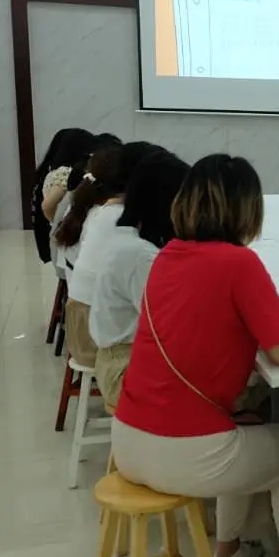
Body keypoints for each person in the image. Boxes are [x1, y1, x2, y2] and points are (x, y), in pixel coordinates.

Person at [112, 155, 279, 557]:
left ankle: (228, 554)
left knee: (244, 426)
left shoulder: (165, 255)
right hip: (187, 451)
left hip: (128, 440)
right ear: (248, 209)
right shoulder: (239, 263)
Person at [89, 149, 190, 408]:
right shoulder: (139, 255)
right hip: (126, 369)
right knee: (237, 382)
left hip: (119, 360)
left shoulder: (126, 236)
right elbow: (167, 328)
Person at [55, 142, 158, 368]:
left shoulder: (100, 211)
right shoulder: (119, 218)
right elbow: (151, 307)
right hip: (97, 342)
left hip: (80, 329)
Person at [31, 128, 98, 264]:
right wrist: (61, 223)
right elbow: (47, 205)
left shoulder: (51, 170)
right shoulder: (65, 173)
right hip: (65, 235)